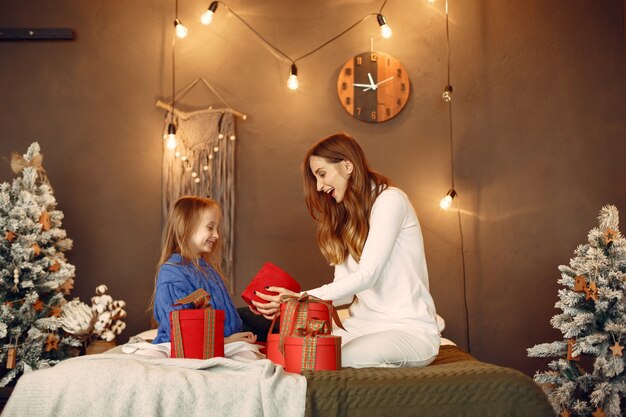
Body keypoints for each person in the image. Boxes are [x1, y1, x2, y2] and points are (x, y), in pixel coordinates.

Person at [252, 133, 441, 368]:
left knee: (335, 359)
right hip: (360, 326)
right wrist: (289, 304)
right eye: (315, 178)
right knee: (300, 354)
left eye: (322, 174)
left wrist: (299, 298)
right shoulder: (345, 219)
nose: (319, 186)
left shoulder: (390, 200)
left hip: (407, 329)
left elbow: (367, 275)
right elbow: (344, 292)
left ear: (347, 165)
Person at [150, 196, 257, 346]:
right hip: (198, 347)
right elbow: (179, 330)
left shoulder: (205, 268)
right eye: (210, 227)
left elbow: (222, 318)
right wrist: (225, 341)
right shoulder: (172, 274)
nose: (217, 235)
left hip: (226, 343)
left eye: (217, 228)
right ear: (187, 227)